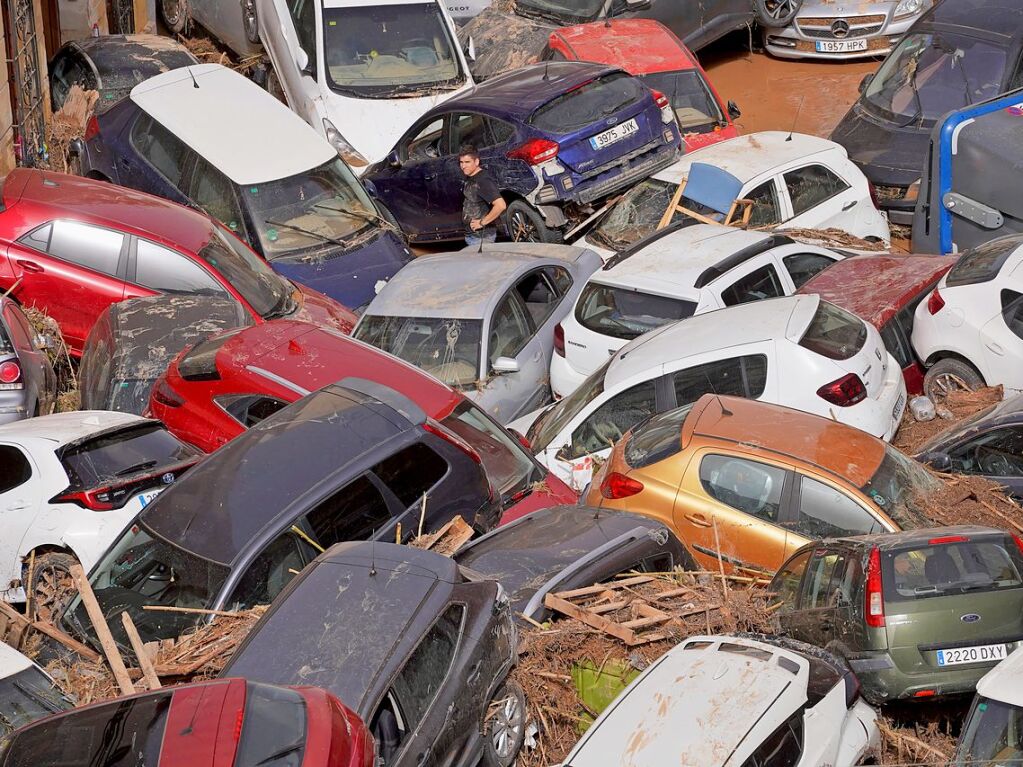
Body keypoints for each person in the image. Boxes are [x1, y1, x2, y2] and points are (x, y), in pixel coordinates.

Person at [459, 144, 506, 247]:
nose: (463, 166)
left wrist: (481, 223)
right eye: (461, 162)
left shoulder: (483, 180)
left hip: (482, 238)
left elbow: (501, 205)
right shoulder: (470, 177)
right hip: (473, 236)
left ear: (476, 162)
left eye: (467, 162)